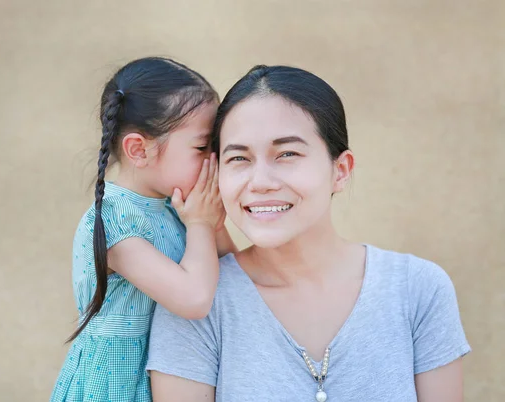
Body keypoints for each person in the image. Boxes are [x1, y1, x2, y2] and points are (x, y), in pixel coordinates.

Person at [147, 65, 471, 402]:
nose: (260, 182)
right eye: (239, 158)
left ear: (340, 171)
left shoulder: (418, 289)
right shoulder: (198, 307)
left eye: (287, 154)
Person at [51, 57, 235, 402]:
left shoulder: (173, 207)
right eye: (201, 147)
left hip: (170, 376)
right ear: (139, 149)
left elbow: (233, 275)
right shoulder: (114, 220)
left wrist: (211, 223)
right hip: (114, 383)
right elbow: (194, 299)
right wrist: (199, 224)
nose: (214, 159)